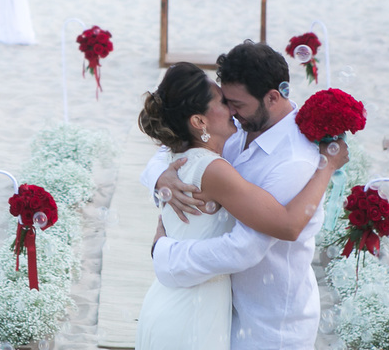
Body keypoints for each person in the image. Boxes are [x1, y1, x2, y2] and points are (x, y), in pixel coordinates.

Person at [135, 60, 345, 350]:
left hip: (265, 322)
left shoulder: (289, 156)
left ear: (272, 97)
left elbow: (286, 226)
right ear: (198, 122)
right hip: (195, 309)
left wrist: (166, 253)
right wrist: (158, 178)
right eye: (224, 102)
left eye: (235, 103)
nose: (232, 111)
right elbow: (164, 154)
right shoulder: (220, 150)